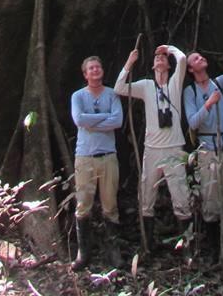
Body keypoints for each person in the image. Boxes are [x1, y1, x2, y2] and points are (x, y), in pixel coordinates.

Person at [114, 43, 191, 248]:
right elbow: (119, 88)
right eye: (157, 57)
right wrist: (130, 62)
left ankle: (186, 247)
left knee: (181, 195)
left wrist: (169, 48)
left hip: (174, 147)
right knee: (147, 194)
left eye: (163, 57)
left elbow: (182, 59)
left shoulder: (175, 83)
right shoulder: (146, 86)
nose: (160, 58)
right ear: (152, 65)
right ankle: (148, 245)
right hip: (152, 149)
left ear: (168, 65)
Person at [184, 19, 223, 258]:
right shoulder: (190, 93)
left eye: (200, 57)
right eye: (196, 60)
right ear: (190, 69)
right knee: (210, 200)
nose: (201, 60)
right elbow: (192, 122)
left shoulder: (219, 83)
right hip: (206, 150)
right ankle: (212, 246)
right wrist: (209, 105)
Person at [70, 55, 123, 271]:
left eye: (98, 67)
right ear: (85, 74)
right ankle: (84, 252)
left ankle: (113, 251)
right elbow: (78, 120)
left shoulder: (112, 94)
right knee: (83, 205)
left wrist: (91, 122)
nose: (95, 70)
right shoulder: (78, 96)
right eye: (91, 68)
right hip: (85, 157)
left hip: (108, 156)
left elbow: (117, 121)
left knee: (110, 205)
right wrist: (104, 119)